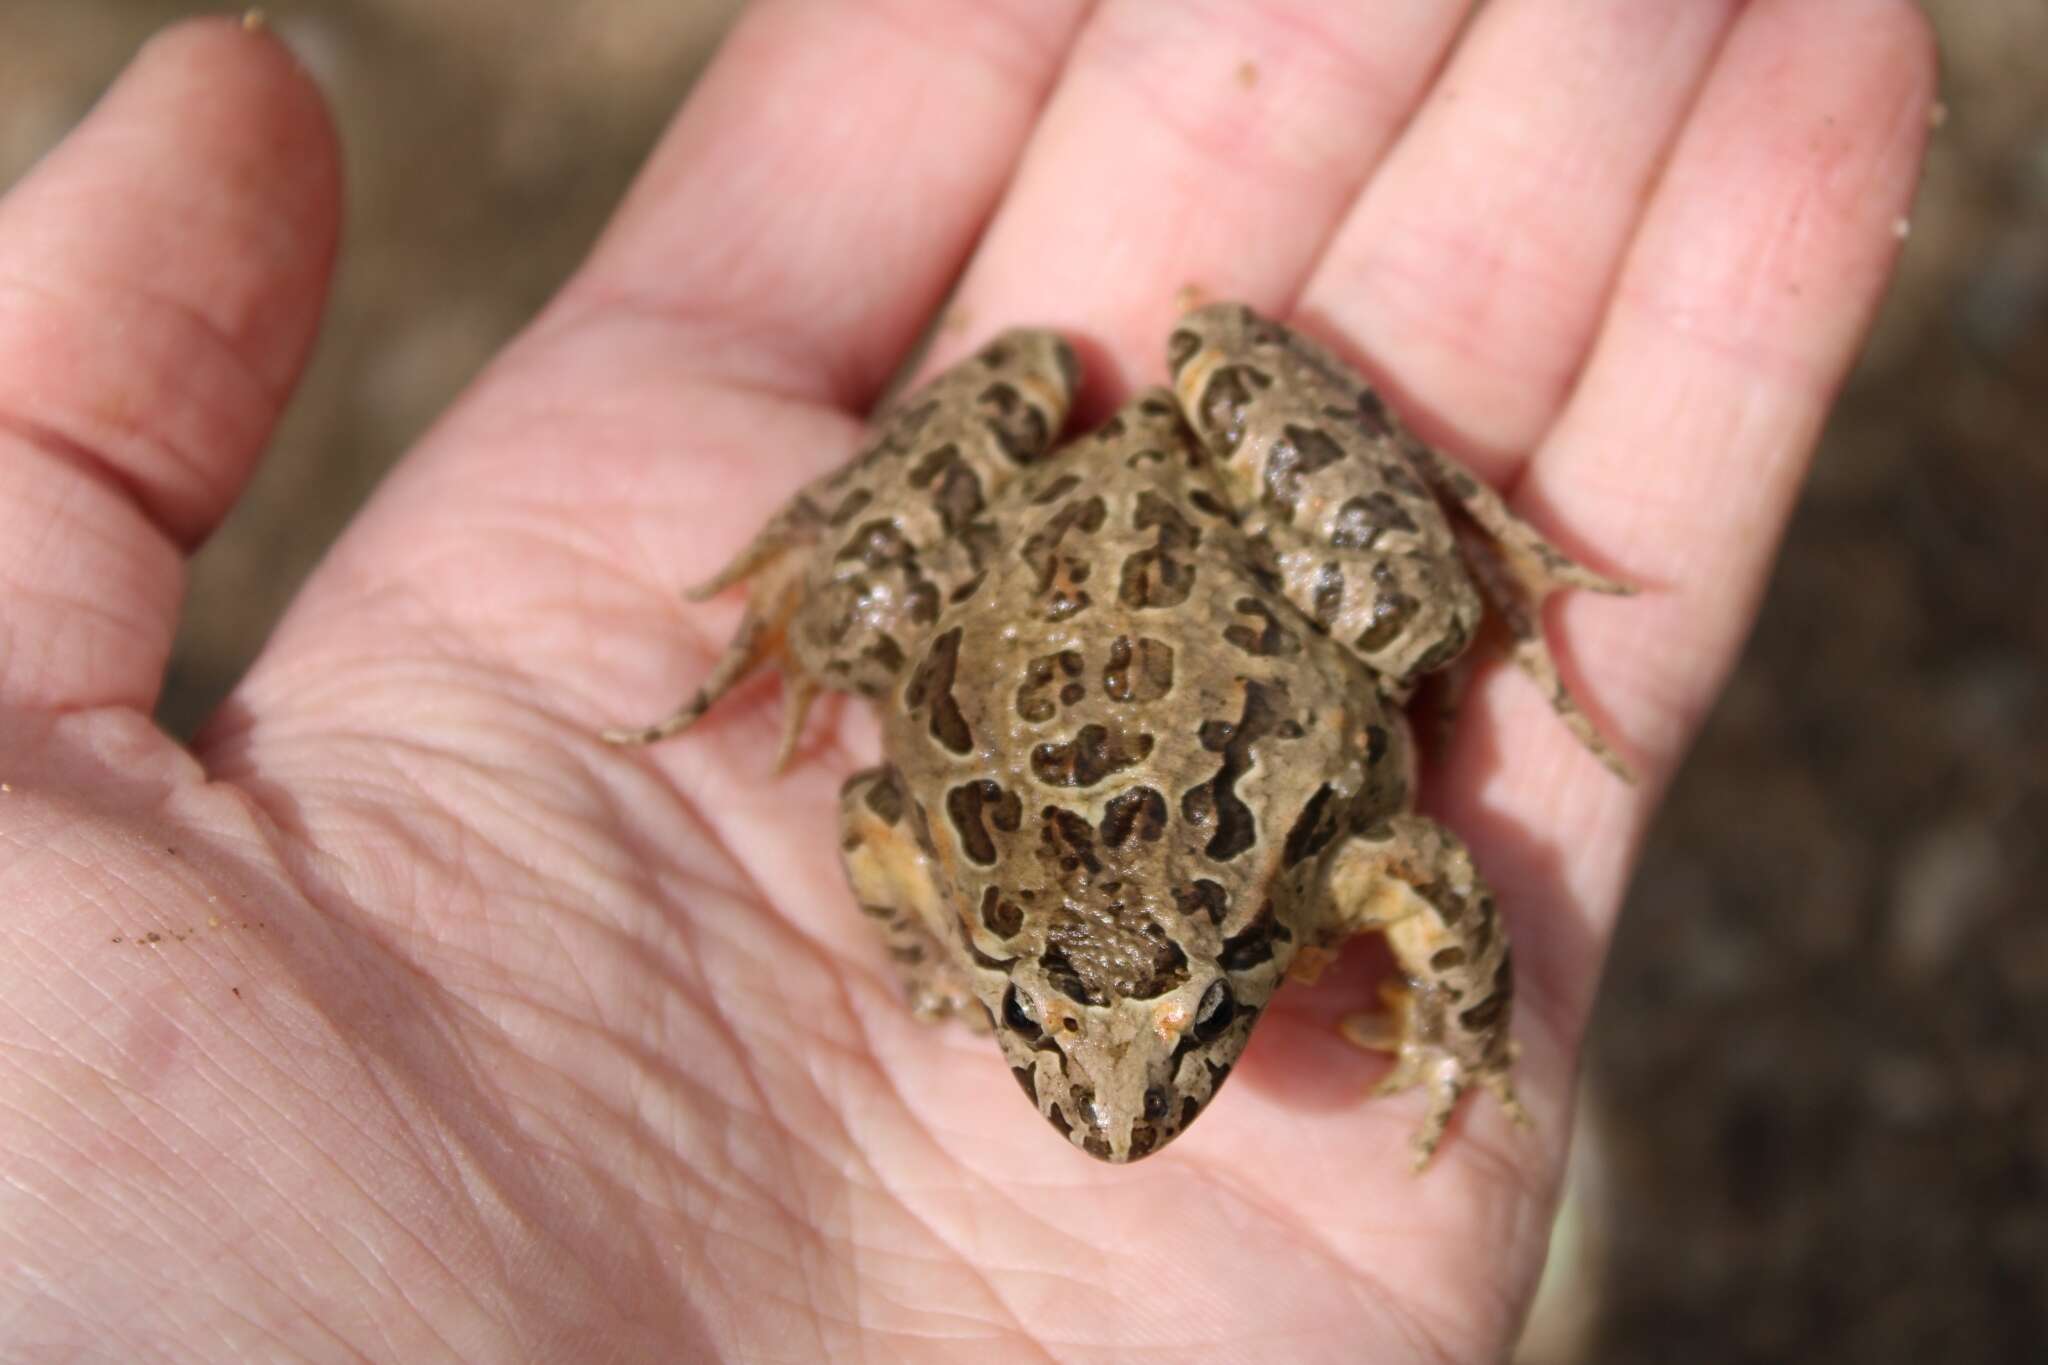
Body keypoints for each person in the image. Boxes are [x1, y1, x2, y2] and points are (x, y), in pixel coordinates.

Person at [0, 4, 1935, 1359]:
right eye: (1048, 1024)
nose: (1114, 1095)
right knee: (866, 631)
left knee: (1411, 618)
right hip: (1041, 572)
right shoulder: (1052, 905)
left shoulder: (1267, 895)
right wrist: (1419, 1028)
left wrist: (1448, 1028)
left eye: (1150, 1033)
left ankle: (1446, 518)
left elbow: (900, 818)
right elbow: (909, 824)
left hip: (1204, 540)